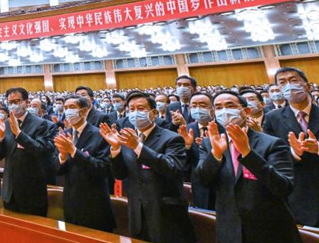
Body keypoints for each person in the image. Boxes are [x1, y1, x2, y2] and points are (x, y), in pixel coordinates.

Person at [195, 91, 301, 243]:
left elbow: (283, 187)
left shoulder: (272, 143)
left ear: (247, 111)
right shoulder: (209, 143)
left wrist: (247, 153)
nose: (224, 111)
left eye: (230, 105)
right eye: (218, 107)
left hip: (270, 229)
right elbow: (202, 182)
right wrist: (216, 155)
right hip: (230, 229)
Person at [100, 92, 195, 243]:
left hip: (166, 213)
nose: (135, 113)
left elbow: (172, 167)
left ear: (154, 113)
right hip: (137, 213)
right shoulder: (127, 139)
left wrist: (137, 146)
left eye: (141, 108)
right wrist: (116, 149)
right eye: (131, 109)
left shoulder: (172, 138)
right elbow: (120, 174)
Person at [263, 67, 319, 228]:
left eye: (293, 80)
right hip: (298, 196)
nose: (288, 85)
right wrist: (294, 153)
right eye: (282, 83)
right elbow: (270, 157)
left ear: (307, 86)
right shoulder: (272, 118)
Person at [54, 94, 116, 232]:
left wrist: (74, 151)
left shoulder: (100, 135)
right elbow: (57, 170)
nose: (68, 111)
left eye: (72, 107)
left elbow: (102, 168)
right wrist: (63, 156)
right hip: (71, 201)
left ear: (83, 111)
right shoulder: (64, 134)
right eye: (65, 107)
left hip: (94, 203)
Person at [0, 87, 54, 217]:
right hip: (10, 191)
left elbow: (40, 150)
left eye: (17, 101)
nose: (13, 105)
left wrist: (19, 133)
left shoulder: (41, 124)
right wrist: (0, 137)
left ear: (26, 102)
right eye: (10, 102)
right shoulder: (6, 124)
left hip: (31, 191)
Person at [179, 92, 218, 210]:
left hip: (221, 183)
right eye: (194, 106)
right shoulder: (187, 129)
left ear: (212, 108)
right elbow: (183, 163)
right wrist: (187, 146)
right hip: (199, 185)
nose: (198, 109)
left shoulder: (226, 127)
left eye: (203, 105)